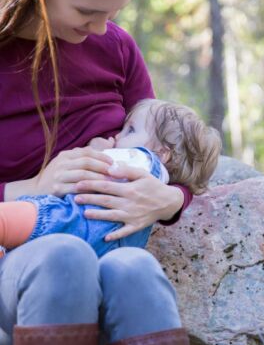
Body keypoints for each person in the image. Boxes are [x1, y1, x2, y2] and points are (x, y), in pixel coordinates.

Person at [0, 0, 208, 345]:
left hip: (110, 256)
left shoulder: (117, 47)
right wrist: (32, 187)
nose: (100, 29)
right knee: (62, 254)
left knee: (135, 269)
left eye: (113, 13)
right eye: (87, 11)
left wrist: (167, 199)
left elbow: (169, 151)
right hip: (19, 263)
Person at [0, 98, 221, 258]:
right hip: (105, 251)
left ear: (162, 153)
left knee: (17, 218)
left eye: (130, 130)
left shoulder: (143, 160)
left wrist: (95, 150)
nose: (117, 135)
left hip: (69, 221)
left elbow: (97, 170)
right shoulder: (154, 182)